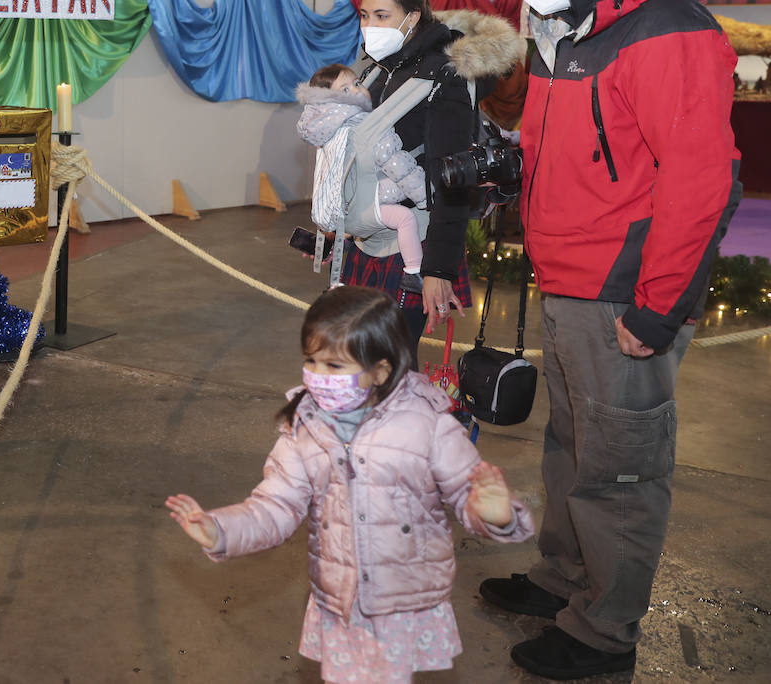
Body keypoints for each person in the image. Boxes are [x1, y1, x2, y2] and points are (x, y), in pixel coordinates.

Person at [478, 0, 740, 679]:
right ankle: (565, 581)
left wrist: (659, 307)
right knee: (571, 447)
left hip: (625, 293)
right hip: (567, 280)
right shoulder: (572, 23)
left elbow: (705, 180)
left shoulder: (667, 29)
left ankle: (604, 634)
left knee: (621, 469)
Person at [165, 286, 533, 684]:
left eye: (334, 366)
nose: (318, 377)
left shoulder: (428, 425)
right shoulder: (304, 425)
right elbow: (275, 505)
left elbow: (466, 492)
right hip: (340, 599)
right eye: (311, 361)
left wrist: (494, 514)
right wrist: (221, 531)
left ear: (381, 369)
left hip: (402, 601)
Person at [339, 0, 525, 359]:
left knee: (388, 367)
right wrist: (332, 226)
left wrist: (438, 269)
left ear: (413, 17)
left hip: (415, 245)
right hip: (368, 234)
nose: (370, 26)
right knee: (358, 364)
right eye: (364, 15)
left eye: (382, 16)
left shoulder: (446, 73)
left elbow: (453, 175)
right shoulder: (376, 67)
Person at [296, 63, 428, 294]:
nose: (357, 90)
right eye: (345, 90)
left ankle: (336, 281)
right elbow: (399, 167)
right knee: (406, 218)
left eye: (357, 83)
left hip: (341, 213)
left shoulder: (325, 132)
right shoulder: (372, 127)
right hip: (365, 208)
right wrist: (425, 197)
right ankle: (413, 272)